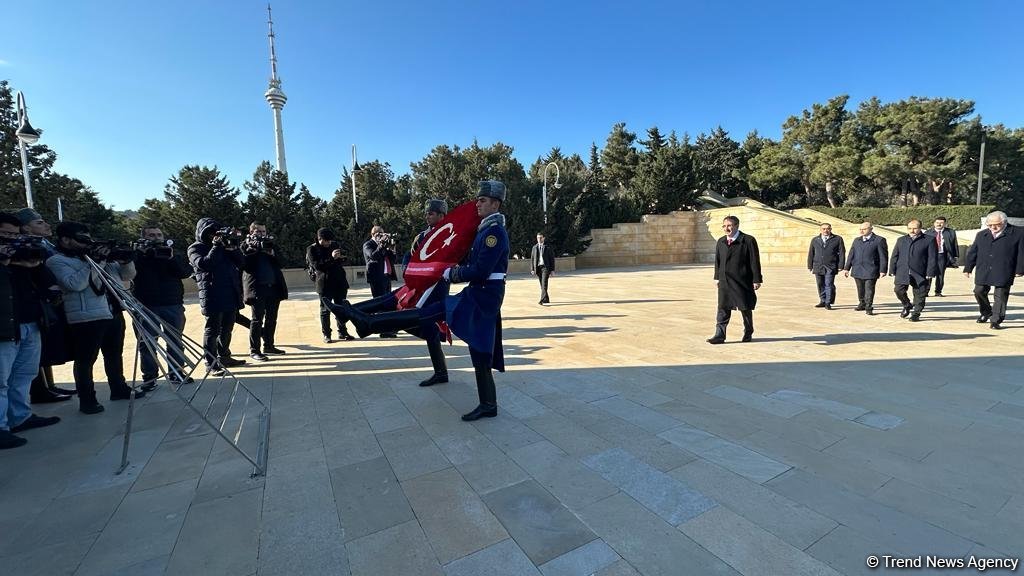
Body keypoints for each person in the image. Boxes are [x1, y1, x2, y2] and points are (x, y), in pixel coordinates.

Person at [344, 180, 510, 421]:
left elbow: (481, 270)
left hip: (484, 295)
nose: (478, 204)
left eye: (483, 200)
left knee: (431, 315)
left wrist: (452, 273)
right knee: (479, 347)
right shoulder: (485, 229)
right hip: (479, 294)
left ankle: (368, 323)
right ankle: (488, 404)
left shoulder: (493, 232)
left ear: (495, 204)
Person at [47, 222, 145, 414]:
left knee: (114, 354)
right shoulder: (56, 261)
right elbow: (75, 284)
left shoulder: (95, 255)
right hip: (86, 317)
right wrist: (96, 260)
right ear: (65, 240)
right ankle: (87, 399)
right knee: (86, 360)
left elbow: (127, 276)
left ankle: (119, 388)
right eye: (81, 239)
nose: (87, 242)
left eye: (88, 238)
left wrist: (125, 260)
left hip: (113, 311)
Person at [0, 213, 60, 449]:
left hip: (29, 321)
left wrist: (33, 263)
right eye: (6, 234)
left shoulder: (22, 254)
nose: (11, 240)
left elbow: (46, 279)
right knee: (1, 380)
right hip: (4, 328)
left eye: (15, 235)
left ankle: (20, 417)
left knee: (24, 374)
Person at [16, 208, 74, 403]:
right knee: (32, 354)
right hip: (34, 305)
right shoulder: (22, 247)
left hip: (48, 303)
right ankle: (39, 390)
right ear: (25, 228)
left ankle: (48, 385)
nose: (47, 225)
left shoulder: (45, 244)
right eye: (39, 222)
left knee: (44, 349)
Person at [132, 224, 194, 385]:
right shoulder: (137, 255)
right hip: (145, 305)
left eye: (159, 235)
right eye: (151, 235)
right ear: (143, 237)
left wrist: (171, 258)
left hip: (172, 304)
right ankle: (150, 377)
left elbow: (185, 272)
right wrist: (141, 254)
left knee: (175, 341)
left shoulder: (171, 253)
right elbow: (129, 273)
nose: (156, 238)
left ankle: (176, 373)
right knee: (147, 343)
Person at [188, 218, 245, 375]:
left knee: (227, 328)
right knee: (212, 330)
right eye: (211, 233)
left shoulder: (225, 245)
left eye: (216, 232)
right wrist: (216, 246)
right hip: (212, 294)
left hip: (230, 292)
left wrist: (233, 248)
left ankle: (225, 356)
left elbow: (241, 262)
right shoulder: (195, 248)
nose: (215, 235)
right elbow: (204, 264)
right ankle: (211, 363)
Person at [403, 199, 450, 387]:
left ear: (441, 216)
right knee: (417, 323)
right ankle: (441, 372)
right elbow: (409, 257)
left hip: (437, 288)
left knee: (430, 327)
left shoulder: (450, 235)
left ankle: (441, 372)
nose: (427, 216)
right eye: (426, 213)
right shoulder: (421, 236)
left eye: (431, 213)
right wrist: (407, 270)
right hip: (421, 287)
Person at [963, 211, 1024, 330]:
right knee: (978, 291)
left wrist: (1020, 269)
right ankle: (986, 312)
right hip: (984, 268)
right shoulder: (982, 234)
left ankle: (996, 320)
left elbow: (1022, 252)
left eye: (997, 224)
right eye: (990, 225)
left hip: (1004, 268)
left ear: (1004, 222)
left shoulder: (1018, 233)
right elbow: (973, 252)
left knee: (1000, 296)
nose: (993, 227)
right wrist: (968, 268)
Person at [708, 216, 762, 344]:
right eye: (724, 226)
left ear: (737, 226)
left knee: (745, 307)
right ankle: (719, 335)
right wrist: (717, 277)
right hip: (725, 281)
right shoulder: (721, 241)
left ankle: (748, 331)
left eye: (729, 225)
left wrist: (756, 279)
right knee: (723, 307)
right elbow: (718, 261)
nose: (726, 228)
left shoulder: (748, 240)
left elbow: (754, 261)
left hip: (742, 280)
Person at [242, 222, 288, 362]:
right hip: (257, 288)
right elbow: (244, 265)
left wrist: (272, 253)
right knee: (257, 320)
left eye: (264, 231)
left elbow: (283, 262)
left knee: (271, 319)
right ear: (251, 232)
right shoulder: (246, 245)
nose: (262, 234)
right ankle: (254, 350)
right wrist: (254, 249)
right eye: (259, 231)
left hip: (273, 287)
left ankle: (269, 346)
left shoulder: (270, 244)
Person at [307, 227, 353, 343]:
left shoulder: (334, 244)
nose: (329, 243)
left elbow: (342, 261)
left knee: (341, 308)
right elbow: (318, 266)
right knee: (325, 310)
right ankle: (326, 334)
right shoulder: (312, 249)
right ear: (320, 239)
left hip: (339, 282)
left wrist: (342, 258)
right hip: (325, 284)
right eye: (326, 241)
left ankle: (342, 332)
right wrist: (331, 258)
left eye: (330, 241)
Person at [888, 219, 938, 322]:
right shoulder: (901, 240)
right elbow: (895, 255)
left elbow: (932, 257)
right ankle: (907, 305)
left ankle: (916, 314)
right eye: (909, 228)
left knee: (919, 295)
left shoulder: (929, 240)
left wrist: (930, 272)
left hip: (920, 272)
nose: (912, 230)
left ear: (920, 228)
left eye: (915, 228)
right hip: (903, 271)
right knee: (898, 290)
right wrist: (892, 269)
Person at [843, 221, 888, 315]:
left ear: (871, 229)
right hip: (857, 268)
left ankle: (868, 306)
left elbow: (883, 256)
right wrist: (847, 268)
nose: (861, 231)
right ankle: (862, 303)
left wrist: (883, 270)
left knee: (869, 289)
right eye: (860, 229)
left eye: (864, 229)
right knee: (860, 289)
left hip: (871, 269)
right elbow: (851, 255)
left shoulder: (879, 240)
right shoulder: (857, 240)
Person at [363, 225, 398, 338]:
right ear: (374, 234)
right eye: (380, 234)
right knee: (380, 304)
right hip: (376, 278)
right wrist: (381, 245)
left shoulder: (383, 245)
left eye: (383, 233)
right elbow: (373, 256)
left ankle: (388, 327)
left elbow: (393, 259)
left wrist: (392, 248)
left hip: (386, 276)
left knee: (388, 303)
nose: (382, 236)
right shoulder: (368, 244)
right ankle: (383, 329)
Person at [806, 223, 845, 309]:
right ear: (820, 230)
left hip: (831, 265)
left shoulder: (837, 239)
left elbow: (842, 252)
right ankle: (822, 300)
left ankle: (828, 302)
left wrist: (841, 265)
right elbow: (811, 253)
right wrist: (810, 265)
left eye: (828, 229)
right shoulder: (815, 240)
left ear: (831, 229)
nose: (825, 230)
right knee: (820, 284)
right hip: (818, 265)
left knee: (829, 284)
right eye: (823, 229)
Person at [924, 216, 959, 296]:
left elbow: (954, 244)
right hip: (930, 256)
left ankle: (938, 291)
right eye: (937, 222)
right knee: (929, 273)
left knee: (940, 275)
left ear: (945, 224)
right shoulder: (928, 233)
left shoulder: (950, 232)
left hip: (942, 256)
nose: (939, 224)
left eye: (941, 223)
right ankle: (925, 291)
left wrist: (955, 256)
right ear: (934, 223)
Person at [531, 233, 556, 305]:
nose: (539, 239)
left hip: (545, 268)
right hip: (538, 268)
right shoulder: (534, 247)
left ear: (544, 238)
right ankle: (546, 299)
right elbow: (532, 259)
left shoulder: (548, 247)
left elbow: (552, 259)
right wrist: (532, 269)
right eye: (538, 238)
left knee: (544, 283)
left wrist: (552, 270)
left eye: (540, 238)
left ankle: (542, 300)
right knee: (542, 285)